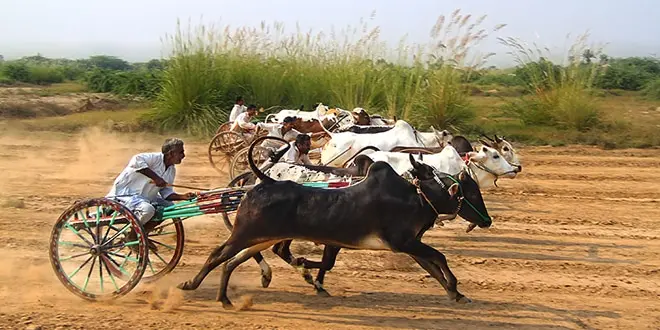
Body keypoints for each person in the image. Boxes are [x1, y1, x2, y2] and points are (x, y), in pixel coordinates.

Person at [107, 138, 196, 239]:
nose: (183, 155)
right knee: (148, 210)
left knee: (169, 208)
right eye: (181, 152)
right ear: (171, 154)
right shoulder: (153, 158)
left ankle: (143, 233)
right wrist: (156, 178)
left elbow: (166, 193)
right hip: (126, 195)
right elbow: (137, 160)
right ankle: (133, 235)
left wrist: (183, 197)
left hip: (147, 198)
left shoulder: (171, 170)